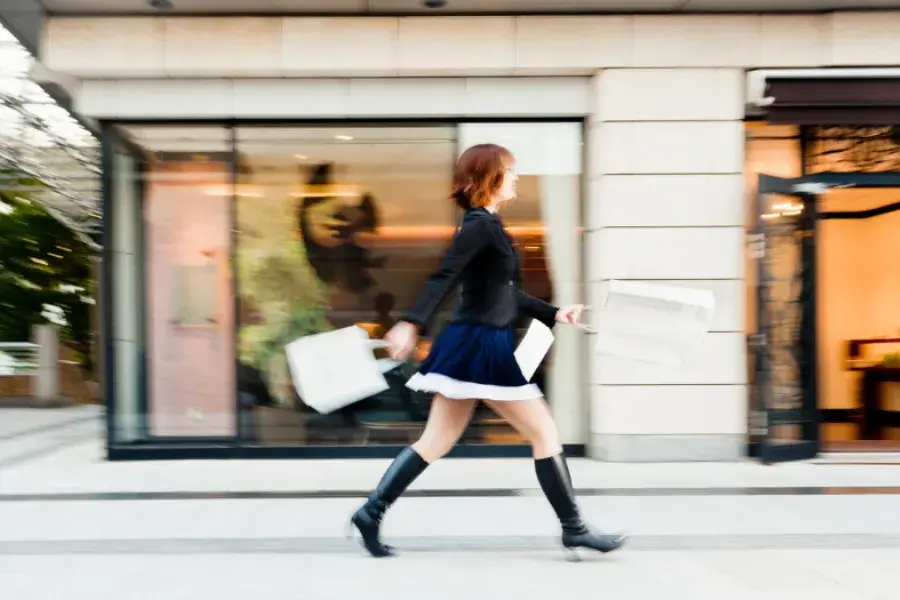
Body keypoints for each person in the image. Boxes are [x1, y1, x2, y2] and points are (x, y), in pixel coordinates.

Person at [348, 143, 626, 560]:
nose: (515, 178)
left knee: (437, 440)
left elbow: (505, 293)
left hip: (473, 342)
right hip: (480, 346)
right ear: (490, 177)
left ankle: (371, 513)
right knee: (544, 432)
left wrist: (555, 314)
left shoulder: (489, 225)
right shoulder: (479, 225)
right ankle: (574, 529)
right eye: (509, 171)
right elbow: (444, 275)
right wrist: (412, 321)